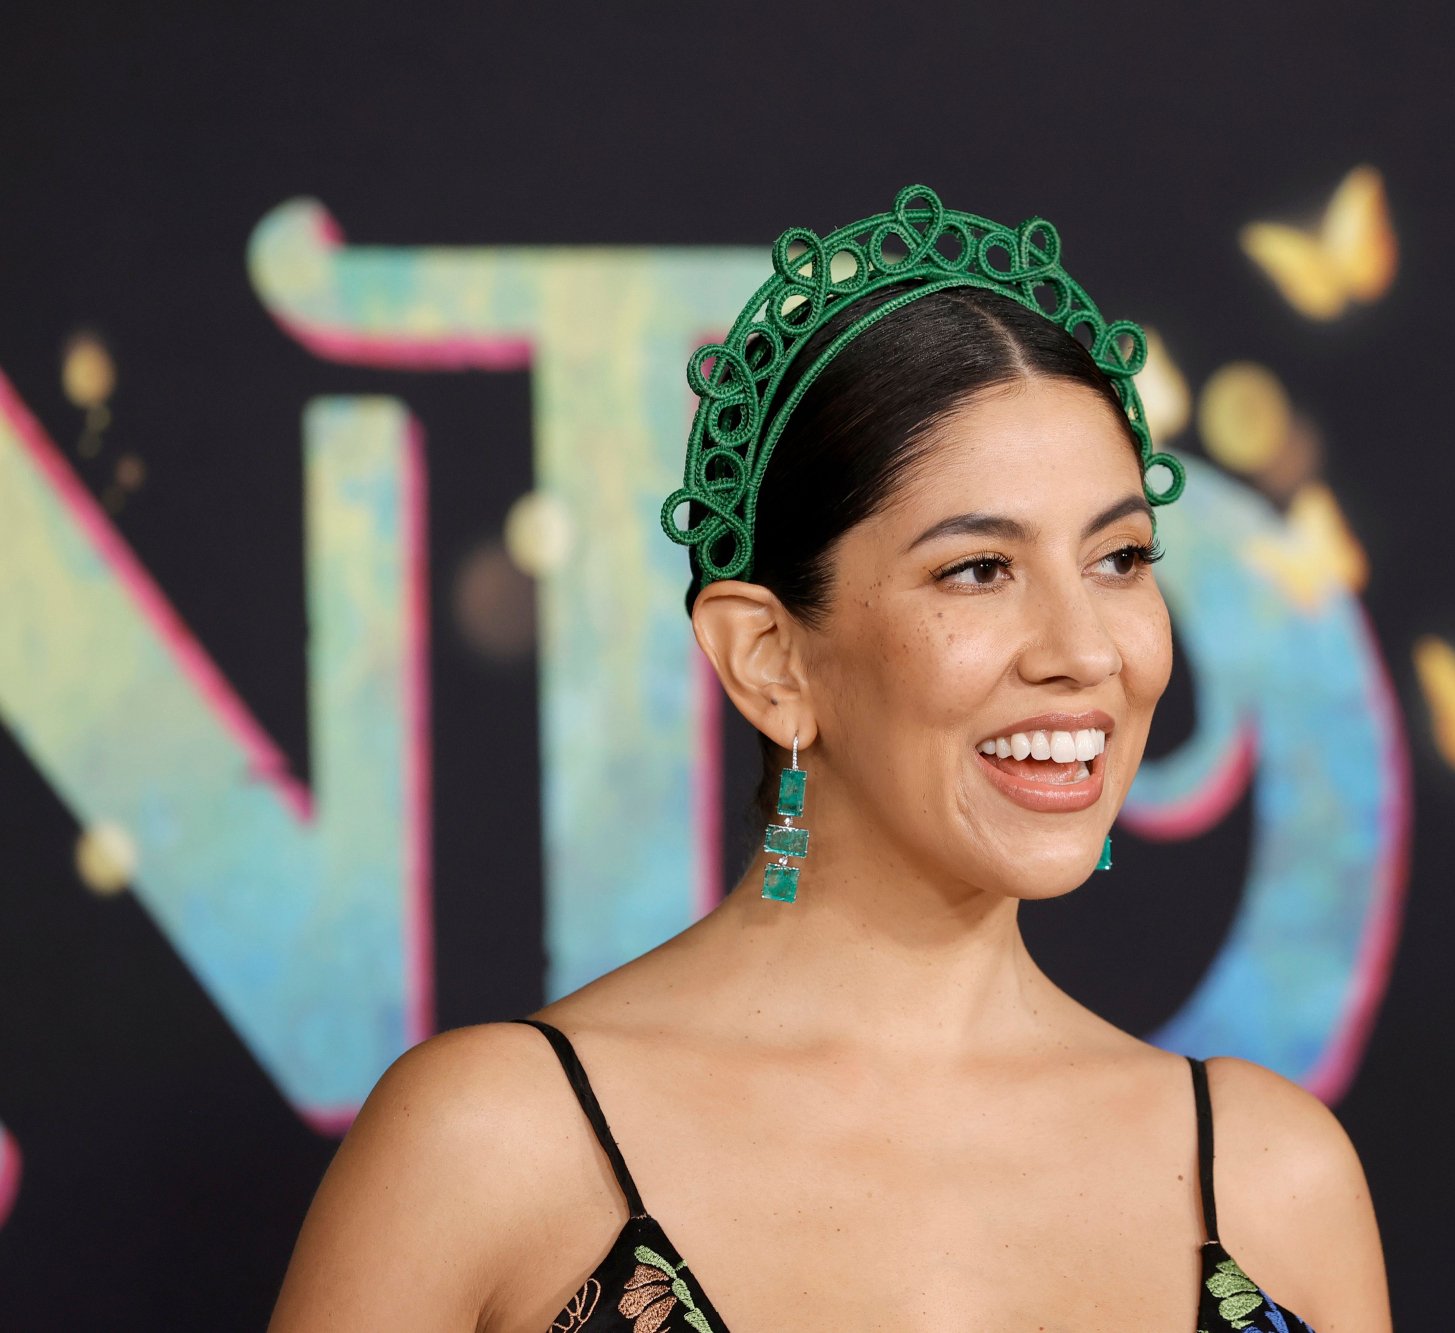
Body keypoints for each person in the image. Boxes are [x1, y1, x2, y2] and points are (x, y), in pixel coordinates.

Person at [268, 186, 1391, 1332]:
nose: (1085, 652)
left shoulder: (1268, 1181)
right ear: (767, 660)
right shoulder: (495, 1144)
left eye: (1118, 557)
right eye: (977, 569)